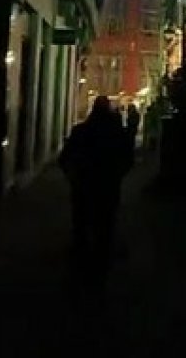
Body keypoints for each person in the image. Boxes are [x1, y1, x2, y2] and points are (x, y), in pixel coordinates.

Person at [58, 95, 134, 293]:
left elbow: (64, 158)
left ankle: (80, 268)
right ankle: (100, 271)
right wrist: (117, 175)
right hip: (108, 187)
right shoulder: (118, 134)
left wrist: (73, 176)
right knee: (105, 227)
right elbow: (128, 159)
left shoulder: (81, 131)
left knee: (81, 225)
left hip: (83, 185)